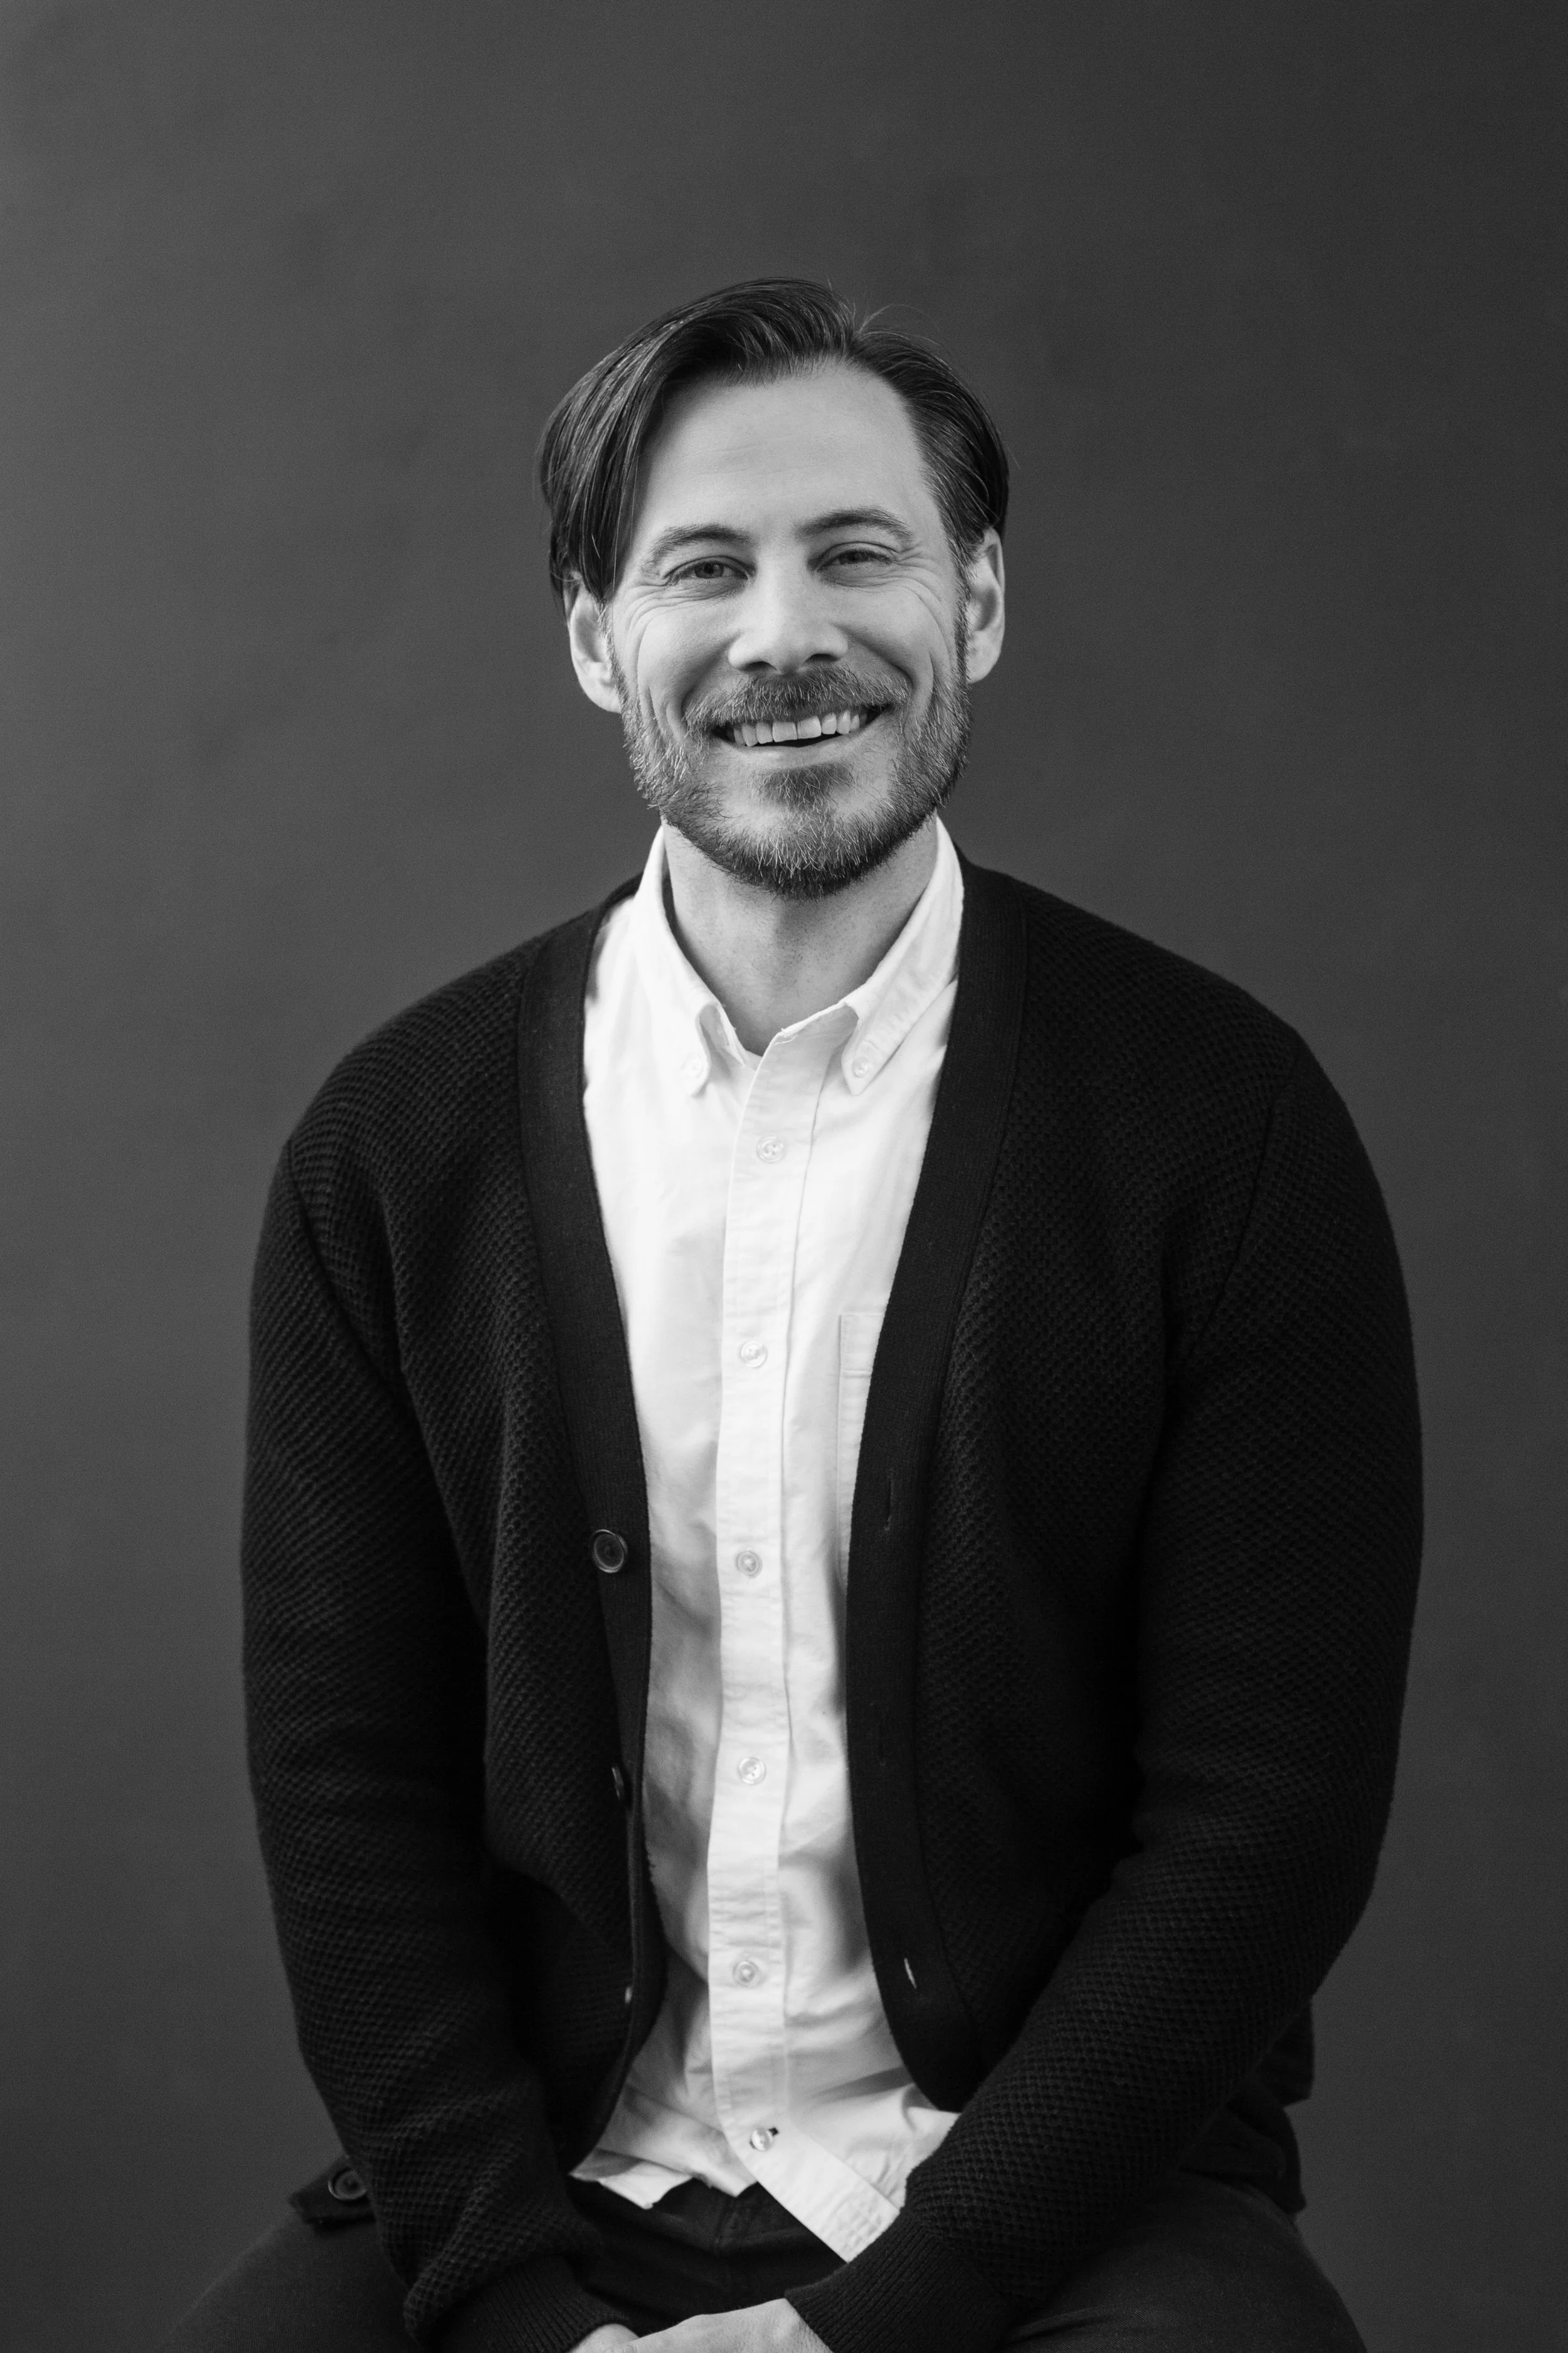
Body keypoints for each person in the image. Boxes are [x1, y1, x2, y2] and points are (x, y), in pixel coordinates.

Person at [170, 280, 1421, 2353]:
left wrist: (882, 2326)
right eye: (702, 569)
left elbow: (1262, 1824)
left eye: (857, 553)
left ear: (979, 602)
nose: (784, 634)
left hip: (1050, 2197)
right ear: (597, 640)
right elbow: (345, 1786)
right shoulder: (393, 1150)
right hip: (541, 2187)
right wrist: (504, 2302)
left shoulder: (1222, 1123)